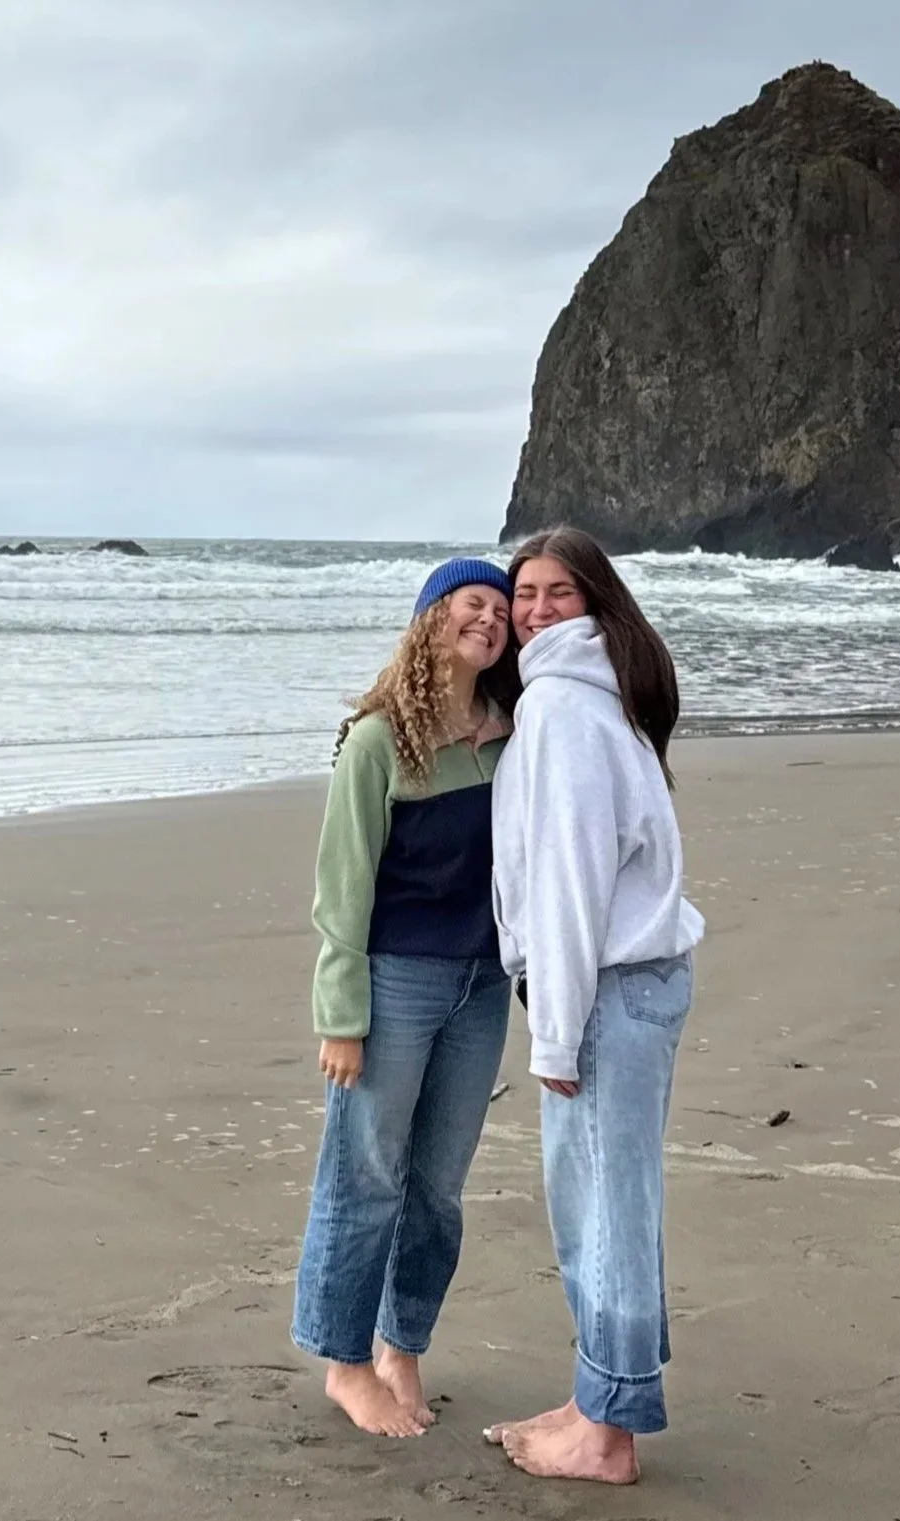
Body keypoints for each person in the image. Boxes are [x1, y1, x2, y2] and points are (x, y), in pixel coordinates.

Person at [486, 527, 705, 1484]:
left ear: (595, 603)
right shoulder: (590, 697)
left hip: (606, 991)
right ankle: (596, 1398)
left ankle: (606, 1434)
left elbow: (569, 887)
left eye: (555, 594)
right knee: (610, 1202)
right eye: (521, 593)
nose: (533, 610)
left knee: (603, 1210)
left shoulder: (566, 715)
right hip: (633, 985)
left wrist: (554, 1029)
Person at [290, 557, 520, 1438]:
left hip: (482, 984)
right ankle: (344, 1363)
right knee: (366, 1175)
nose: (491, 619)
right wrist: (339, 1016)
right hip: (395, 984)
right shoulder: (378, 740)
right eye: (474, 603)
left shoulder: (506, 730)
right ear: (431, 620)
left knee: (437, 1186)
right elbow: (339, 890)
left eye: (500, 609)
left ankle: (402, 1345)